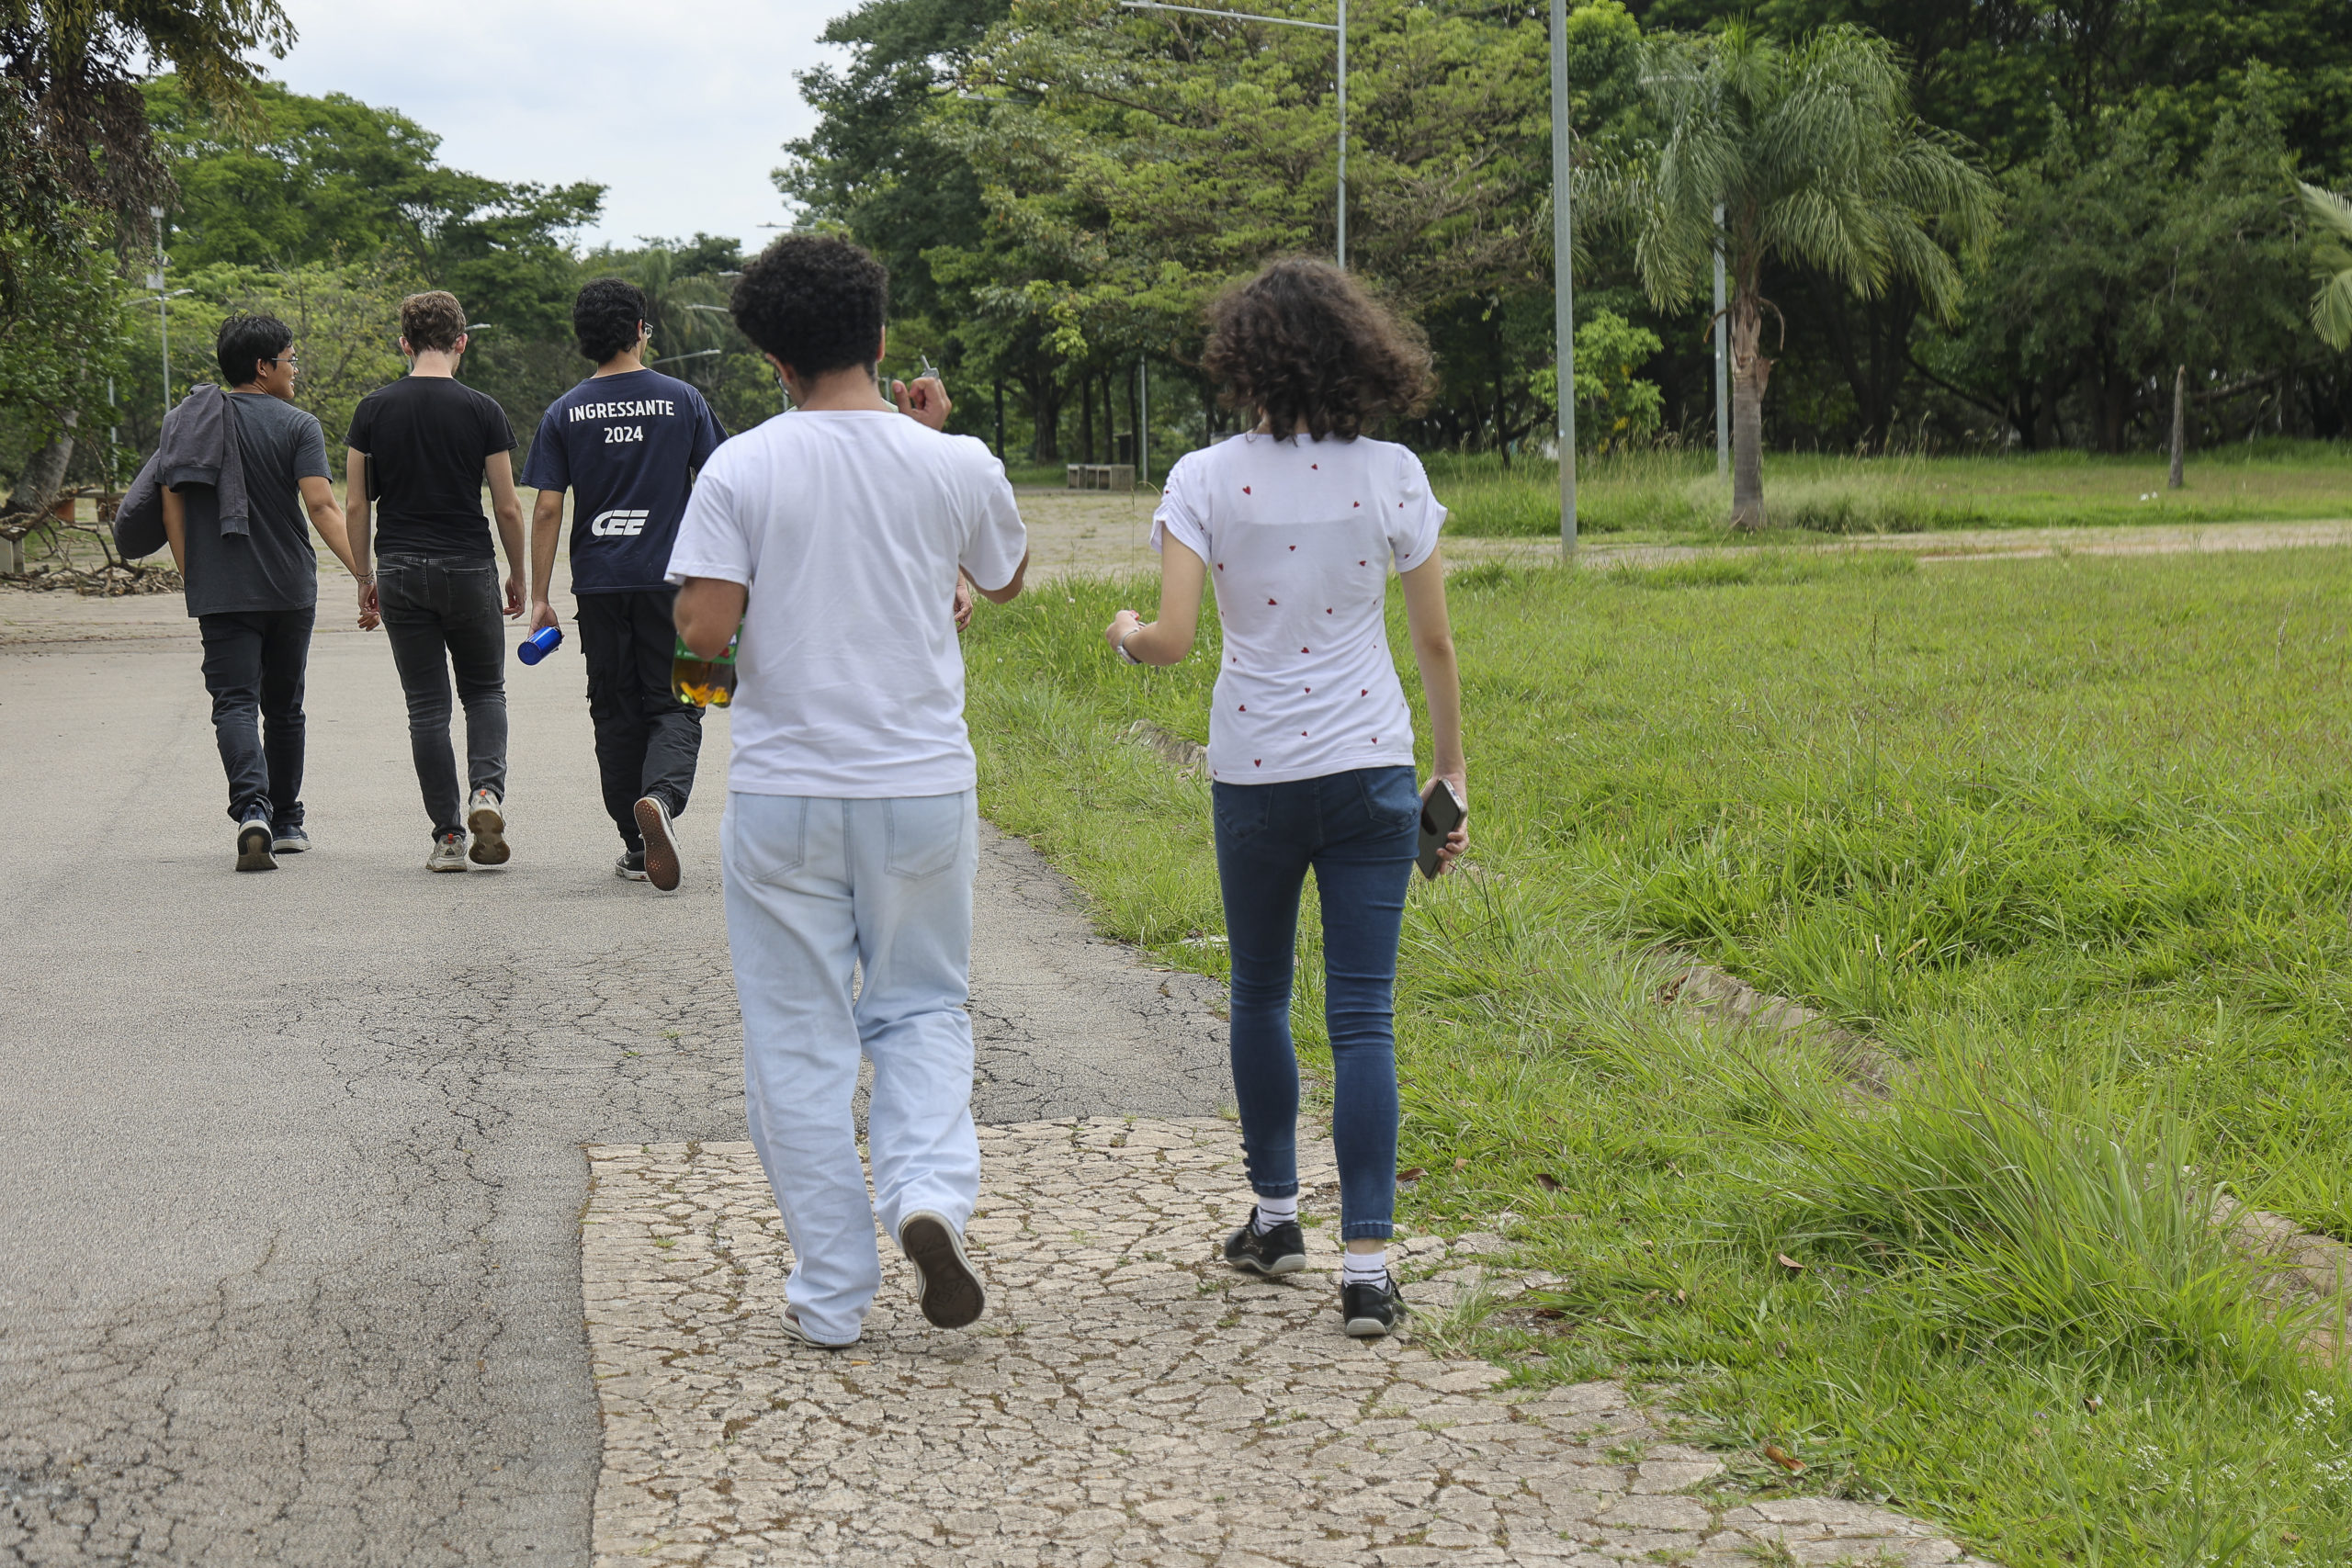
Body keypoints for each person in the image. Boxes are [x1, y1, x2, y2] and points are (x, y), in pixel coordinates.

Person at [669, 234, 1028, 1350]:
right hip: (920, 785)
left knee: (796, 1033)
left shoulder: (741, 466)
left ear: (771, 355)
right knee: (921, 1006)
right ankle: (926, 1193)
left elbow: (705, 631)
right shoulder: (954, 458)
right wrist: (932, 443)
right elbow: (1006, 575)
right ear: (880, 339)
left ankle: (830, 1293)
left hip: (786, 789)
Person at [1101, 257, 1467, 1339]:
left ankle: (1273, 1219)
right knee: (1365, 1019)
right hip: (1372, 769)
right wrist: (1449, 776)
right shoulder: (1391, 473)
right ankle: (1367, 1271)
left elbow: (1169, 642)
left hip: (1256, 771)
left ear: (1242, 356)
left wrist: (1124, 636)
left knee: (1259, 992)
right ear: (1359, 348)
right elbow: (1435, 642)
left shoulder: (1203, 479)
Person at [520, 279, 728, 887]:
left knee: (614, 709)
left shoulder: (565, 412)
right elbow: (722, 486)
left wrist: (540, 597)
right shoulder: (683, 400)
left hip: (600, 584)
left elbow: (548, 509)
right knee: (686, 697)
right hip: (679, 584)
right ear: (641, 329)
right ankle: (661, 798)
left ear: (584, 339)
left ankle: (636, 844)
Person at [158, 312, 371, 871]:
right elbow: (322, 507)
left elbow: (172, 502)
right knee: (284, 707)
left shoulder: (185, 422)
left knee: (233, 703)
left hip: (222, 589)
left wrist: (192, 571)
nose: (294, 370)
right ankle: (288, 820)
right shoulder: (299, 426)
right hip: (288, 588)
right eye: (290, 359)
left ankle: (252, 808)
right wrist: (364, 575)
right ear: (262, 366)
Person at [345, 291, 527, 873]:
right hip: (469, 565)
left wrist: (363, 577)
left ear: (404, 343)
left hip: (399, 566)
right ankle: (485, 794)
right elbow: (507, 506)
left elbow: (354, 505)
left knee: (426, 708)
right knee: (485, 692)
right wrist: (518, 575)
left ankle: (448, 839)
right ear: (461, 342)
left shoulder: (371, 410)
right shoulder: (483, 409)